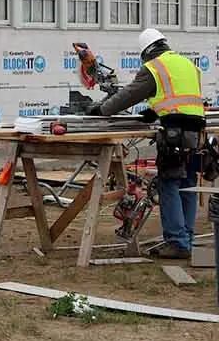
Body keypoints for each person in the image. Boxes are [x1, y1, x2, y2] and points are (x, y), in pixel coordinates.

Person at [88, 27, 206, 259]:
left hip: (174, 133)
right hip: (196, 131)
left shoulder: (154, 67)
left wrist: (102, 109)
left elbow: (129, 95)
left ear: (146, 52)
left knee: (169, 184)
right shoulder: (187, 64)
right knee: (188, 184)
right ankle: (187, 239)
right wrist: (154, 111)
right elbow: (182, 97)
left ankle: (177, 243)